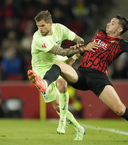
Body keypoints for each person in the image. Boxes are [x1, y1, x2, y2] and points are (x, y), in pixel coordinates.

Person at [28, 14, 128, 142]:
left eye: (113, 23)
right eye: (110, 21)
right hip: (81, 74)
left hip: (99, 79)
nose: (109, 23)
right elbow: (87, 49)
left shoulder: (120, 44)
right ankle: (44, 83)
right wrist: (79, 51)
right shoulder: (100, 33)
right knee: (58, 64)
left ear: (120, 29)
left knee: (119, 109)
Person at [27, 10, 97, 140]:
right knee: (57, 106)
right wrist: (80, 50)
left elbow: (79, 39)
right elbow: (63, 52)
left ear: (50, 23)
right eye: (38, 26)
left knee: (62, 83)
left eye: (42, 26)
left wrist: (80, 44)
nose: (40, 29)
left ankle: (63, 120)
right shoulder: (39, 39)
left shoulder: (60, 28)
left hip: (57, 62)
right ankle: (79, 129)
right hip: (41, 70)